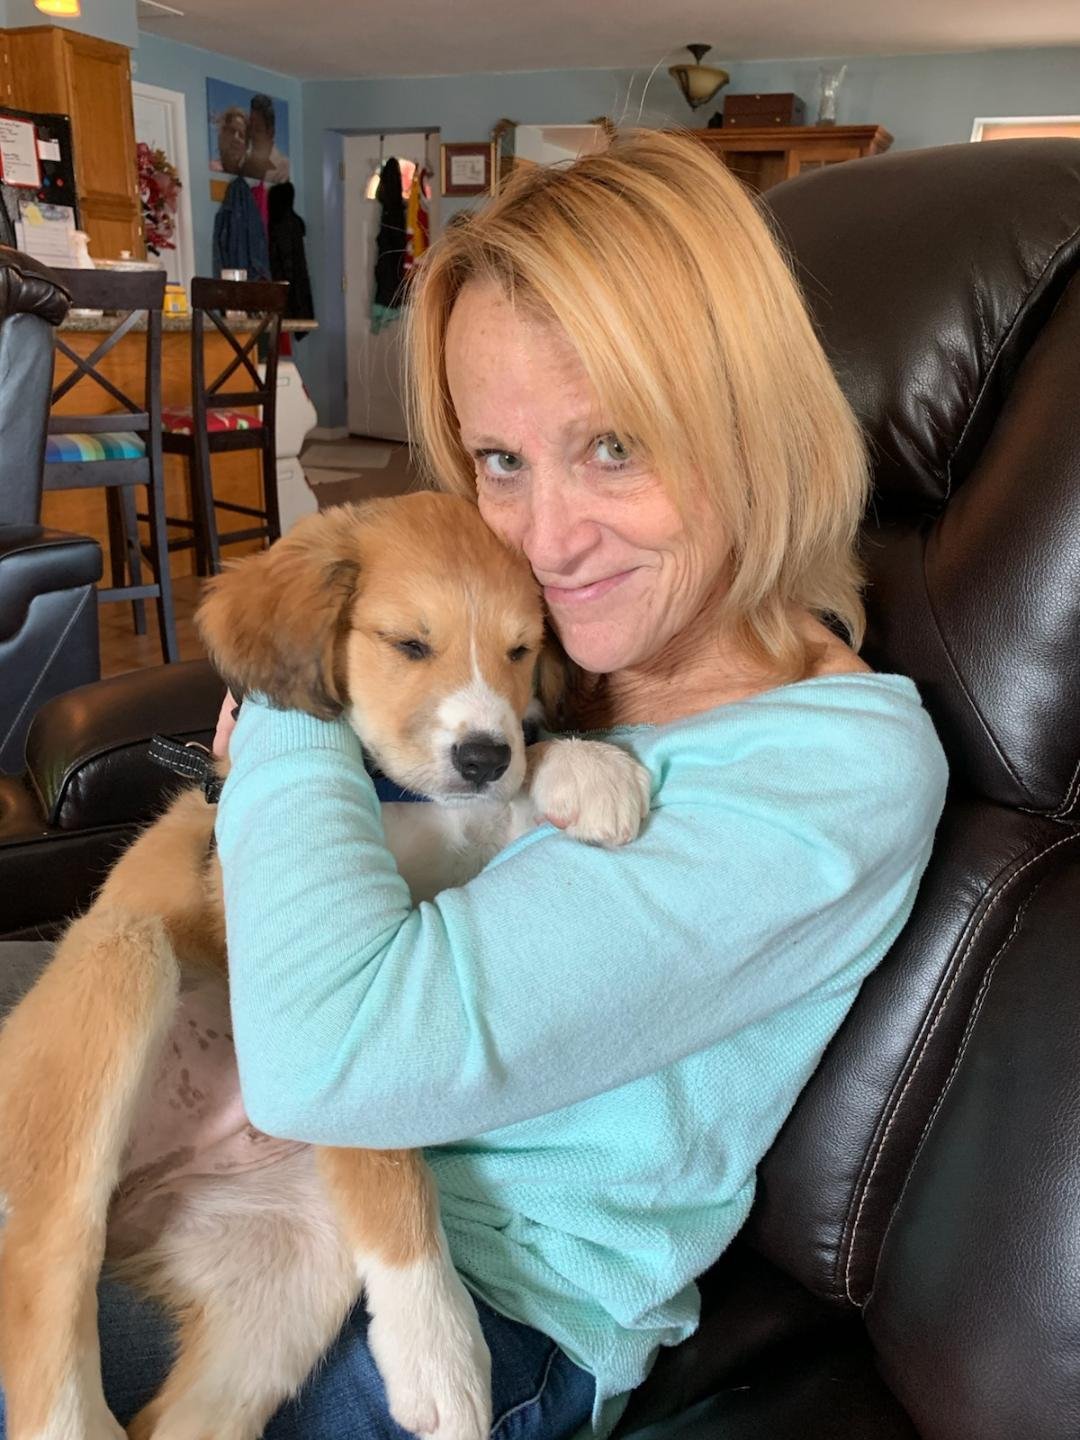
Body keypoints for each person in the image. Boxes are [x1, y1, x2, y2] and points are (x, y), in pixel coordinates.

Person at [0, 129, 947, 1440]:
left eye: (615, 445)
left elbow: (334, 1061)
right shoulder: (568, 659)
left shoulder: (833, 773)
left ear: (749, 422)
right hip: (233, 1141)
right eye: (501, 461)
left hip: (474, 1317)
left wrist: (293, 712)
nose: (547, 542)